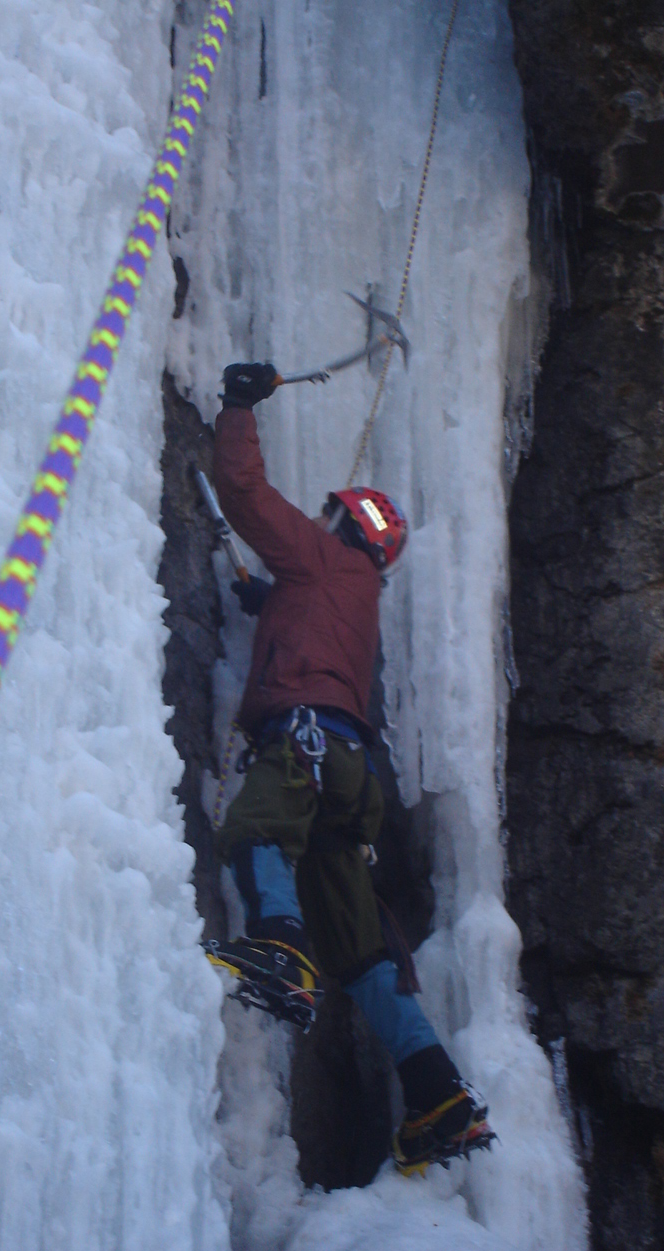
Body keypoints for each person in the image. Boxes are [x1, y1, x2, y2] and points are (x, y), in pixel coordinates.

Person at [206, 361, 493, 1172]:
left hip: (304, 742)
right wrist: (268, 606)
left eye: (330, 516)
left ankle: (275, 948)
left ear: (343, 531)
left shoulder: (322, 561)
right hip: (353, 772)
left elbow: (246, 496)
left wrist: (237, 407)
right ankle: (439, 1095)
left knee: (255, 828)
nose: (322, 519)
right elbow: (314, 629)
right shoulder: (354, 592)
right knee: (363, 948)